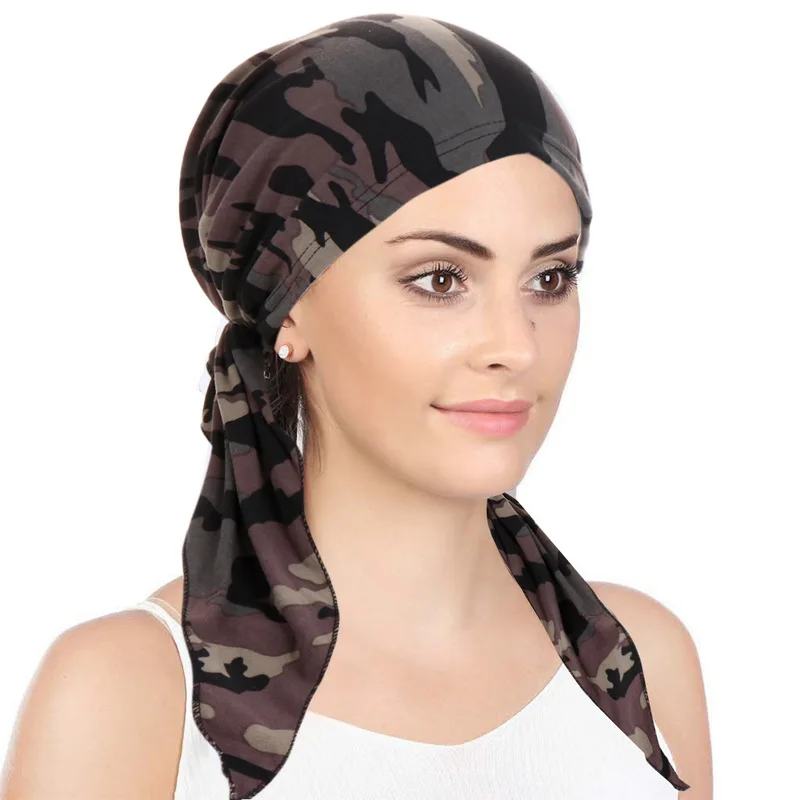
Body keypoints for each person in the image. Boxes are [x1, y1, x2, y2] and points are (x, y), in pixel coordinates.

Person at [1, 13, 710, 800]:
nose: (516, 345)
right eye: (440, 279)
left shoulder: (638, 663)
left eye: (550, 278)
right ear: (288, 308)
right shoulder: (132, 695)